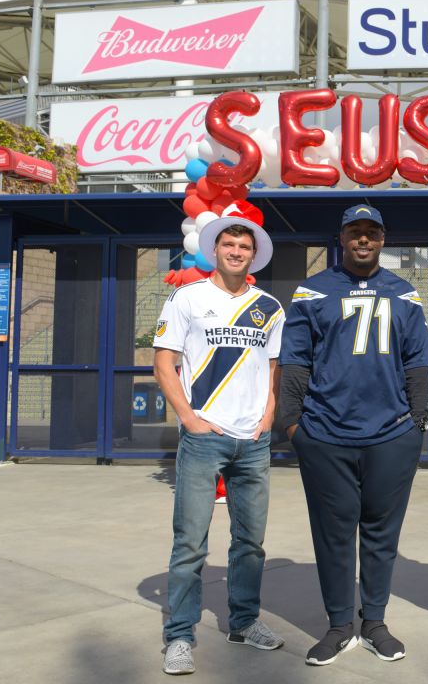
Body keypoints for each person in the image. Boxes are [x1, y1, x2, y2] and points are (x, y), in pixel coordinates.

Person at [278, 204, 428, 666]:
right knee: (333, 534)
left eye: (372, 232)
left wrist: (417, 425)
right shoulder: (312, 290)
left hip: (390, 435)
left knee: (383, 534)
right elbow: (296, 361)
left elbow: (417, 363)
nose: (363, 239)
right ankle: (339, 624)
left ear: (383, 239)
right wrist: (293, 425)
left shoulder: (405, 293)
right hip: (325, 433)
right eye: (355, 232)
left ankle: (375, 622)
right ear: (341, 238)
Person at [153, 207, 284, 675]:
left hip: (253, 442)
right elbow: (164, 362)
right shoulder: (188, 298)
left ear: (254, 254)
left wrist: (268, 413)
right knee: (190, 543)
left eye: (244, 246)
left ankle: (244, 622)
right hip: (204, 437)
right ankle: (179, 636)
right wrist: (188, 418)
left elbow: (271, 368)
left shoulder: (270, 307)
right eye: (229, 245)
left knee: (250, 543)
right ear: (215, 250)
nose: (236, 251)